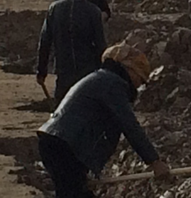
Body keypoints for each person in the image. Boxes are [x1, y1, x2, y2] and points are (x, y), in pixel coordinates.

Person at [38, 42, 170, 197]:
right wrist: (154, 161)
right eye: (140, 78)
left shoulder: (101, 78)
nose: (139, 85)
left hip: (59, 142)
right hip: (64, 145)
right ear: (129, 69)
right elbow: (129, 125)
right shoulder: (112, 84)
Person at [37, 0, 107, 104]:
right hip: (87, 72)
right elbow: (100, 46)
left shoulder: (55, 9)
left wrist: (41, 70)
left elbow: (45, 42)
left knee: (62, 113)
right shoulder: (93, 12)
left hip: (63, 70)